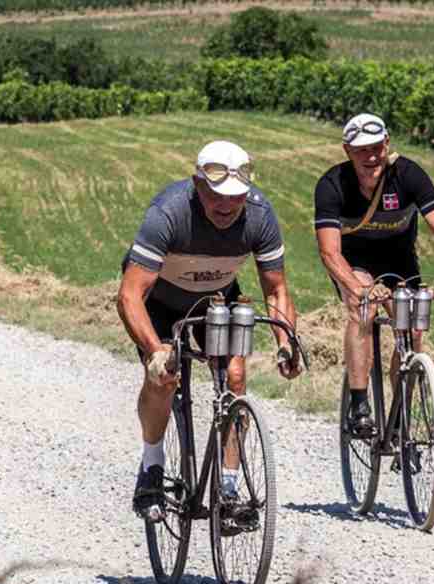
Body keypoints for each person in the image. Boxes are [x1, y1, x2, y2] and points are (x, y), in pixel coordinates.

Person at [117, 140, 302, 523]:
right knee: (165, 378)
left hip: (216, 300)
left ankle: (229, 488)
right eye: (217, 195)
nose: (226, 206)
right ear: (197, 184)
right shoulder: (169, 212)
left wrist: (286, 341)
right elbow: (130, 294)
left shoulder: (259, 214)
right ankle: (152, 467)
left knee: (235, 379)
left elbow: (277, 289)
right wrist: (155, 350)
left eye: (236, 198)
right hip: (162, 304)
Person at [313, 113, 434, 437]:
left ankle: (399, 417)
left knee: (412, 329)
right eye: (362, 150)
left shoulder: (408, 174)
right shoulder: (331, 185)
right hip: (354, 261)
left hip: (399, 260)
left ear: (387, 143)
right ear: (347, 150)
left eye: (377, 147)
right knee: (362, 308)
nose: (371, 157)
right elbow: (329, 252)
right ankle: (360, 404)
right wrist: (358, 288)